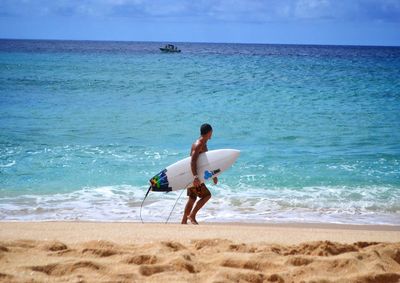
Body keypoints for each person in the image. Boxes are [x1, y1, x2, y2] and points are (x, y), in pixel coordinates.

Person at [181, 123, 217, 225]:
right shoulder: (198, 144)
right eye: (211, 132)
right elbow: (192, 161)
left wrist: (213, 175)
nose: (212, 134)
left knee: (192, 198)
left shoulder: (203, 144)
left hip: (193, 175)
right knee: (207, 195)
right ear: (208, 132)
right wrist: (195, 177)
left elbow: (205, 162)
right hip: (194, 176)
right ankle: (192, 215)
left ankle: (184, 221)